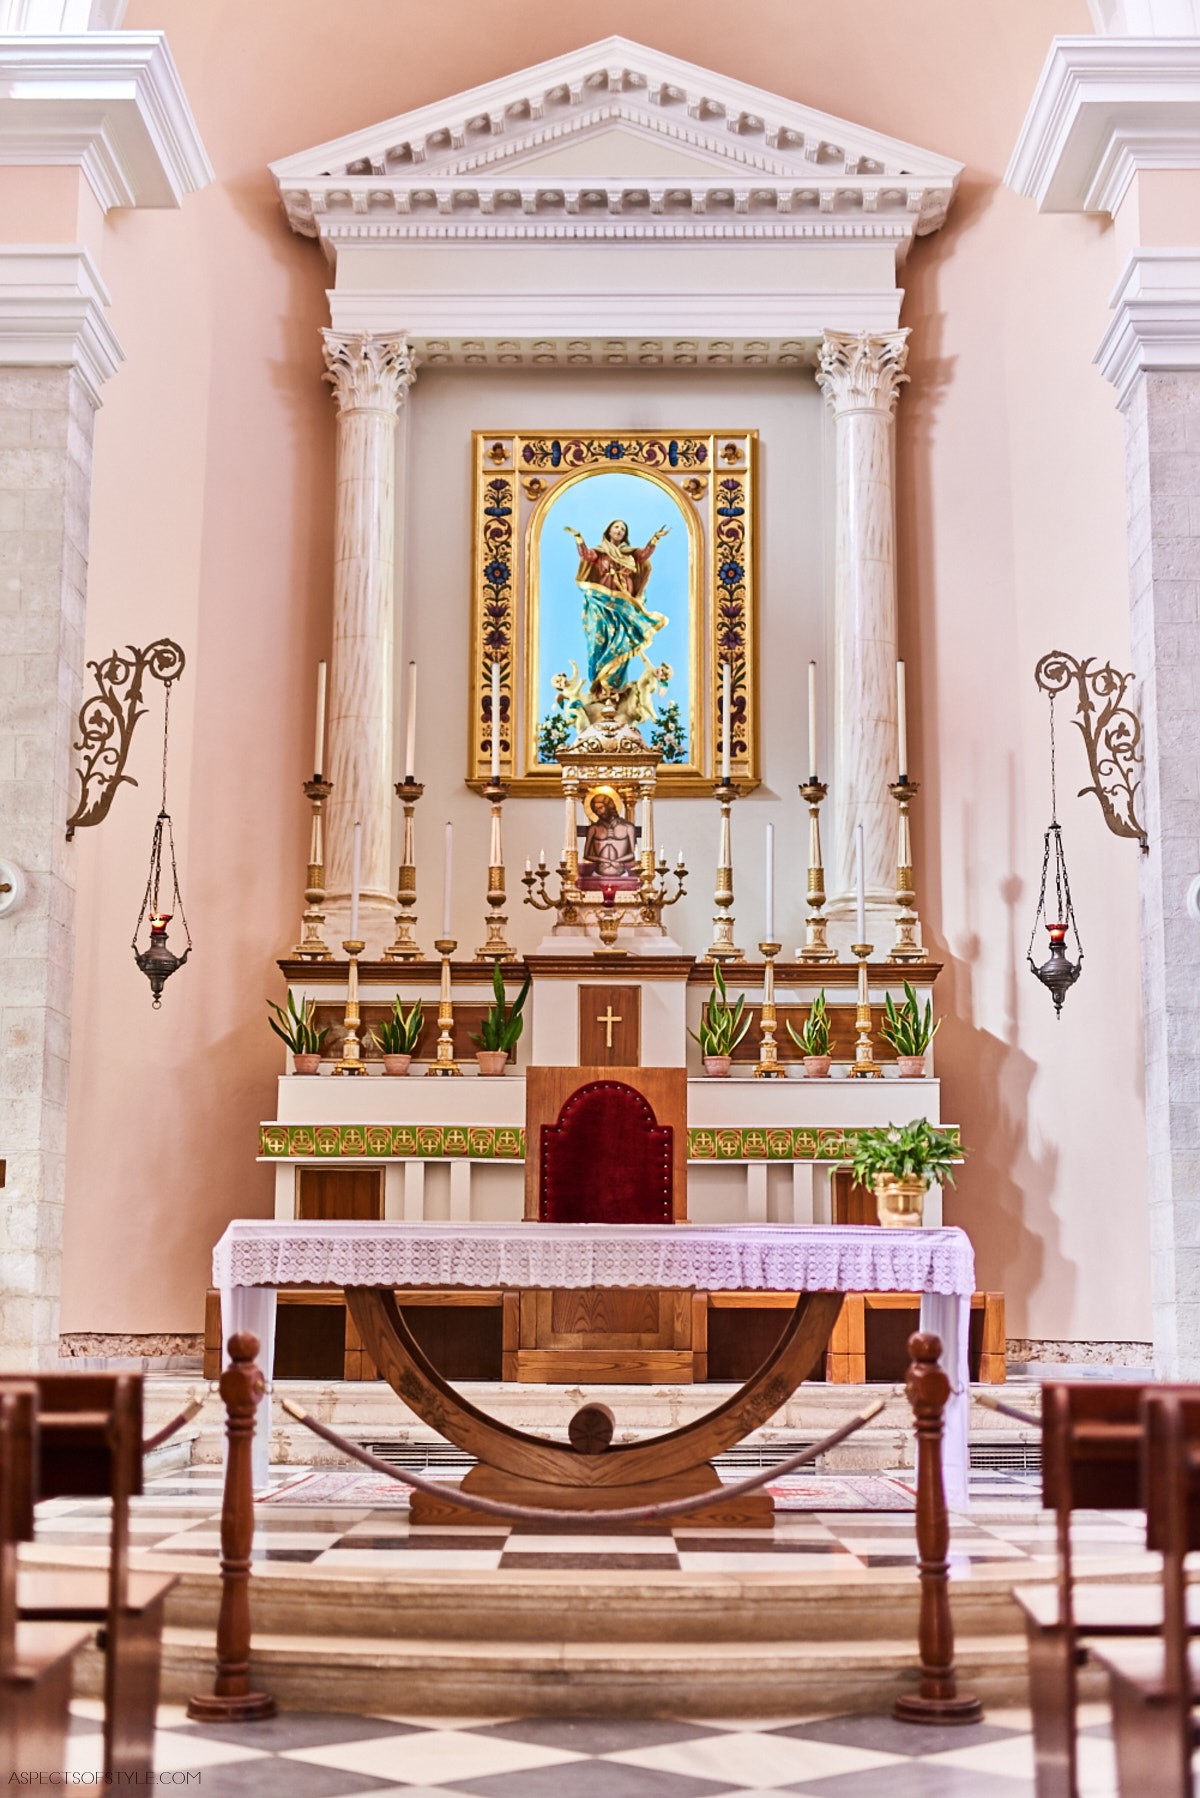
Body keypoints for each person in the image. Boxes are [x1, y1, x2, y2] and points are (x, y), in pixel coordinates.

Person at [564, 518, 669, 693]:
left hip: (624, 598)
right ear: (609, 531)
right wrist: (578, 538)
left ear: (625, 534)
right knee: (599, 635)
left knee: (623, 637)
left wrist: (655, 539)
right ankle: (600, 682)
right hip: (602, 599)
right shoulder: (600, 552)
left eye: (623, 529)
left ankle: (615, 687)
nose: (619, 530)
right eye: (616, 527)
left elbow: (643, 555)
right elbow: (586, 556)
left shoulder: (630, 553)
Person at [581, 791, 638, 882]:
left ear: (609, 806)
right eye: (596, 810)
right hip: (598, 876)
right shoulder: (594, 829)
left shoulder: (628, 827)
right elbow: (586, 855)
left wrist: (617, 860)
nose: (599, 812)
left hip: (622, 874)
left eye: (601, 808)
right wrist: (605, 860)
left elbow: (634, 853)